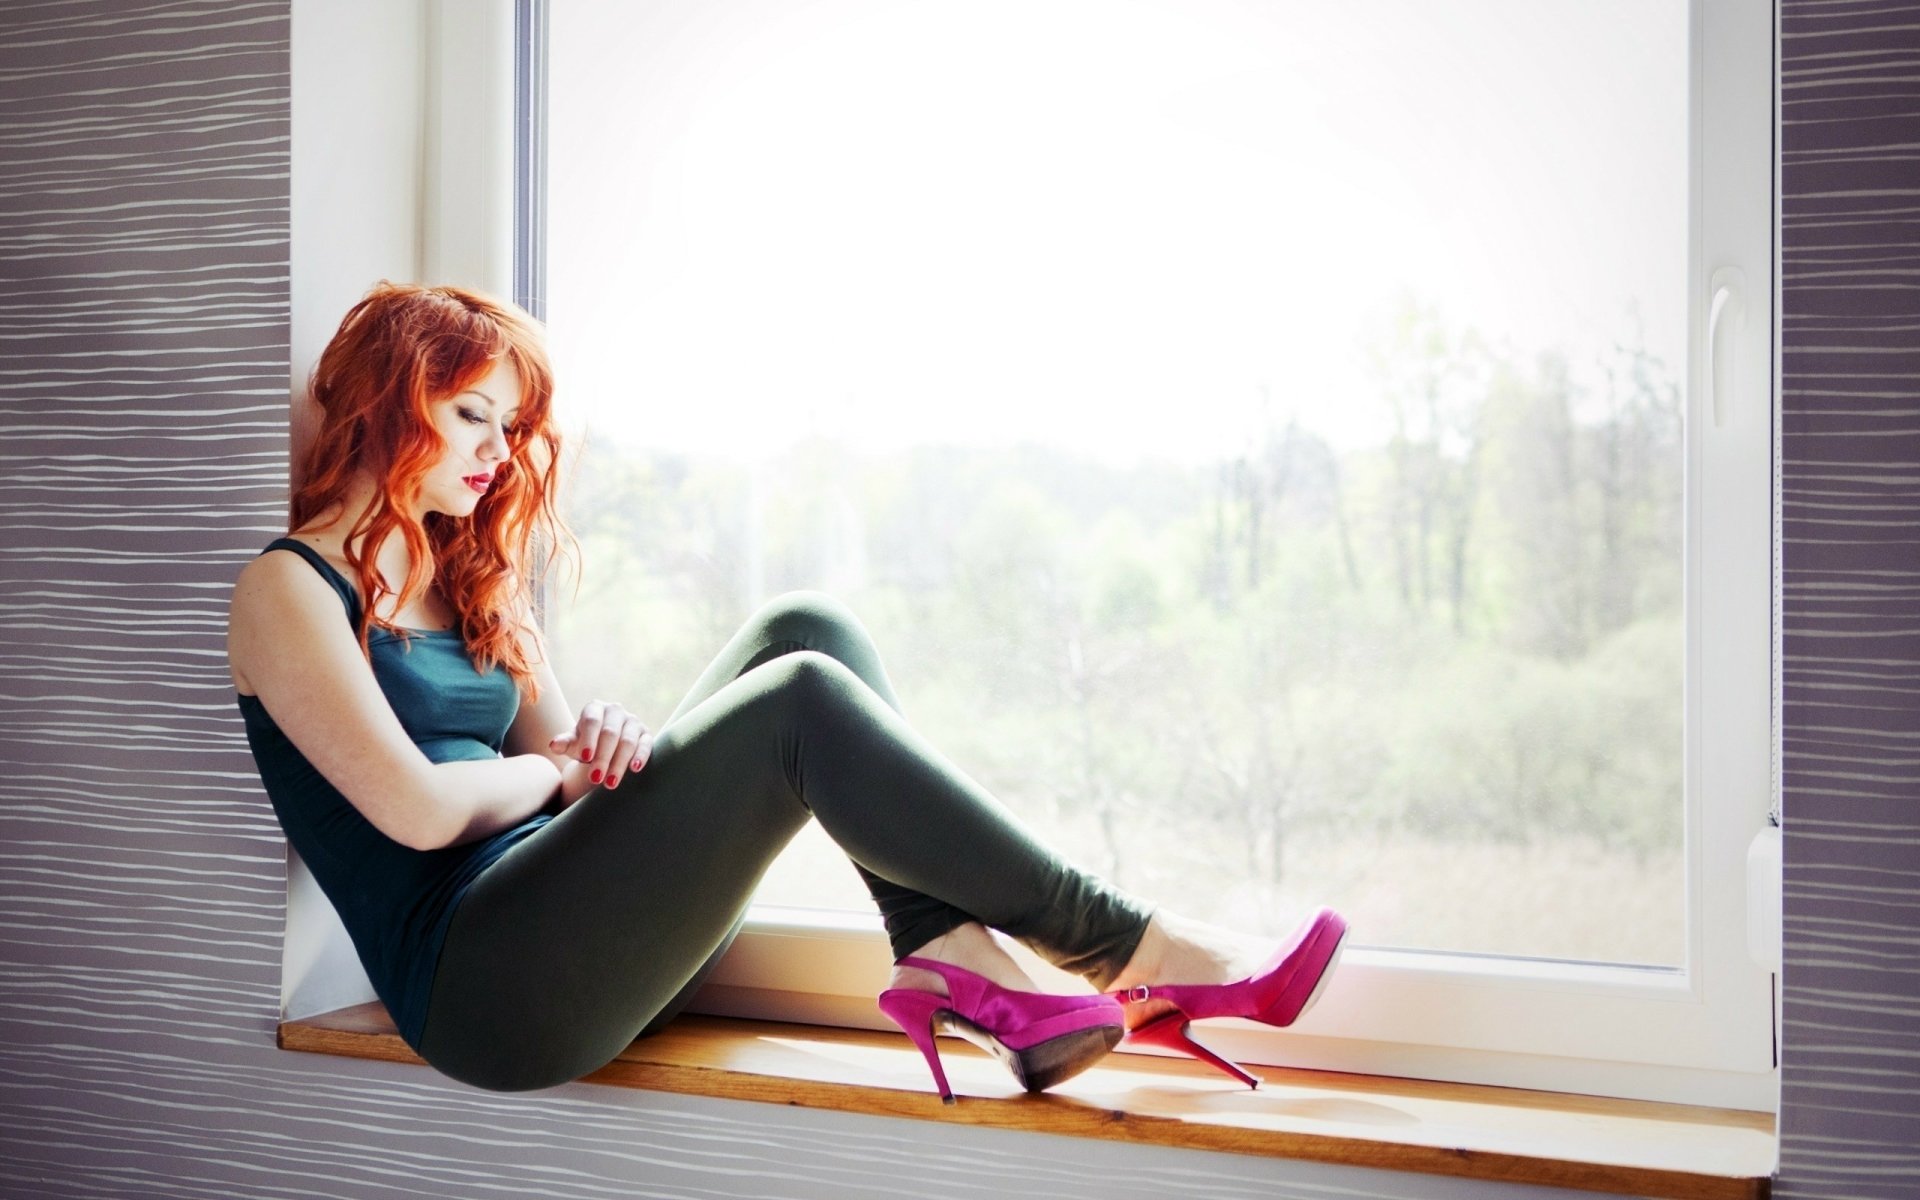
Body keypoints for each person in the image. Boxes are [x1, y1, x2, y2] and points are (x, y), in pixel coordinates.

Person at [229, 282, 1348, 1098]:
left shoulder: (475, 578)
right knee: (801, 695)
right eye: (474, 416)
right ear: (386, 403)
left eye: (512, 428)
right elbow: (418, 810)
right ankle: (1132, 950)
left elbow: (571, 773)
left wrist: (596, 747)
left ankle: (948, 954)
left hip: (585, 931)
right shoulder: (288, 591)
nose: (501, 454)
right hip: (485, 990)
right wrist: (554, 766)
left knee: (805, 630)